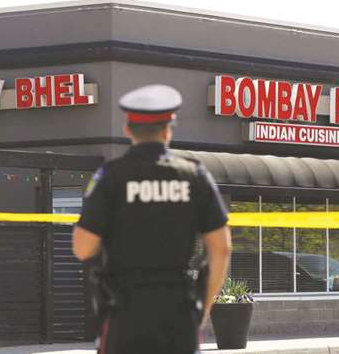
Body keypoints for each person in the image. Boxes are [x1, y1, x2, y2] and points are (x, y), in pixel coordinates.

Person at [72, 84, 232, 354]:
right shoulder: (194, 176)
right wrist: (202, 310)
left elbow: (83, 247)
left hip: (125, 311)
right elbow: (222, 248)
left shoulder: (111, 177)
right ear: (168, 130)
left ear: (127, 130)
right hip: (178, 312)